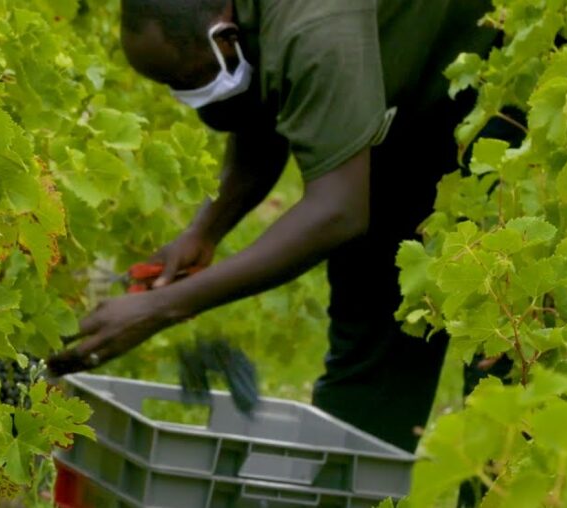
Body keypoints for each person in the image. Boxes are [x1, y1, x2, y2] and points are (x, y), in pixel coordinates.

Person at [46, 0, 519, 458]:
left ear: (223, 32)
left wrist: (164, 307)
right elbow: (264, 106)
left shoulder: (316, 24)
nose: (186, 96)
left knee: (506, 343)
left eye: (188, 79)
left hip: (507, 79)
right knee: (377, 316)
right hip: (402, 97)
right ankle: (348, 492)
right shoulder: (242, 27)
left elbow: (337, 212)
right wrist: (204, 232)